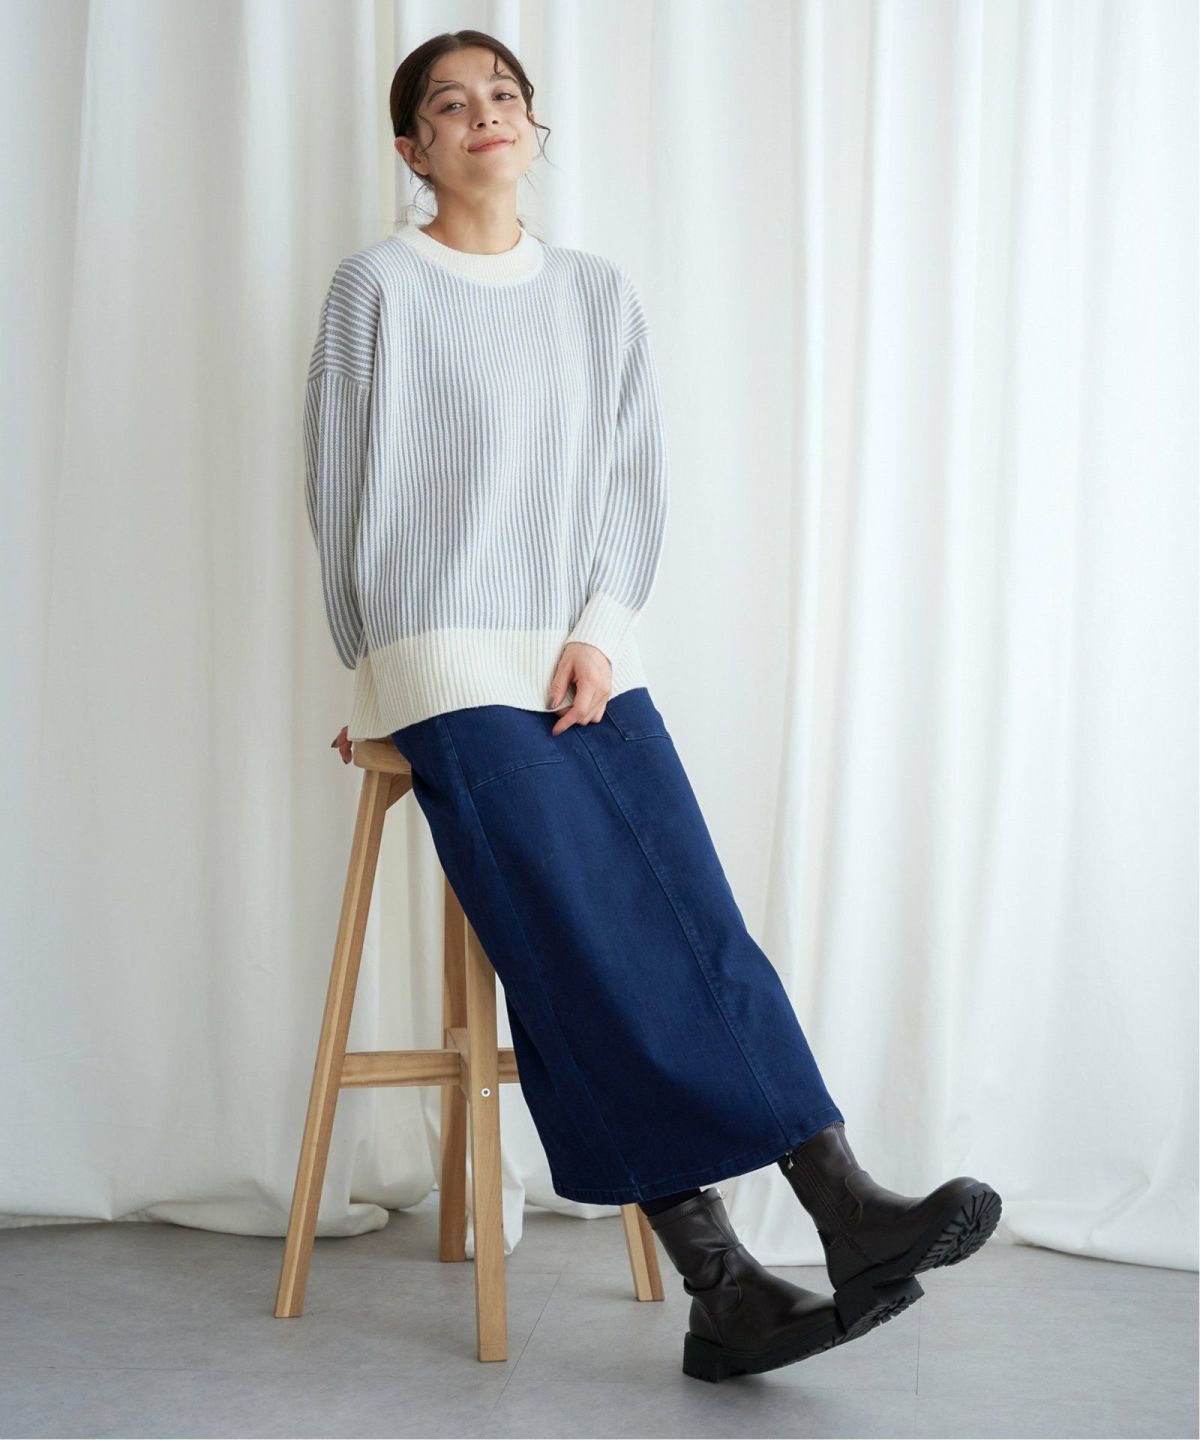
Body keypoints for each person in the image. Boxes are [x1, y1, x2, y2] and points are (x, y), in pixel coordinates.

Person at [304, 28, 1003, 1384]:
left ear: (534, 125)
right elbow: (339, 485)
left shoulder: (595, 294)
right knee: (584, 942)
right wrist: (371, 672)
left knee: (693, 918)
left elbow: (633, 483)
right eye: (449, 103)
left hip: (576, 657)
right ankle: (723, 1282)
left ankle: (841, 1202)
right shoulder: (375, 285)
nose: (483, 114)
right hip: (443, 661)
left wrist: (600, 633)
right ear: (412, 148)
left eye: (503, 94)